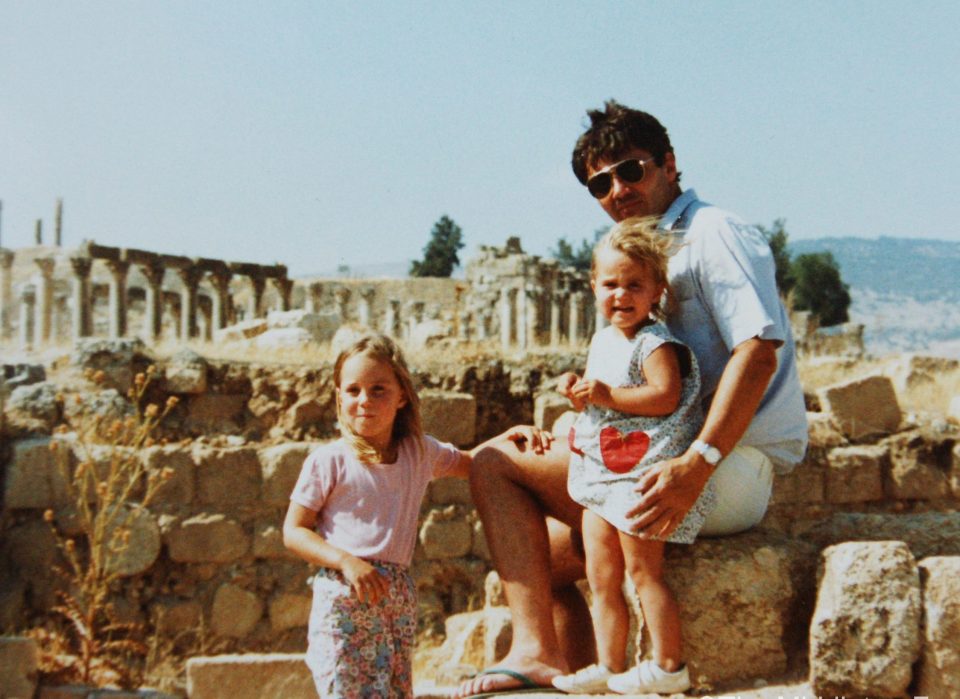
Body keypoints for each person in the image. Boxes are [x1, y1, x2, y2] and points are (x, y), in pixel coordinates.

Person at [456, 101, 808, 696]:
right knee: (540, 556)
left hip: (726, 465)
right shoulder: (640, 253)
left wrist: (699, 463)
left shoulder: (713, 233)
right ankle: (584, 673)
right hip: (657, 454)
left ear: (669, 164)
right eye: (600, 182)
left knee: (492, 462)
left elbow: (757, 352)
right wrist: (572, 433)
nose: (617, 189)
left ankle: (535, 651)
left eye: (630, 170)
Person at [283, 333, 545, 698]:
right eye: (353, 390)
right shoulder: (328, 461)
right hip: (344, 600)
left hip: (396, 599)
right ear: (338, 395)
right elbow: (294, 531)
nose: (364, 401)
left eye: (378, 390)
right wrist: (346, 561)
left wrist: (510, 437)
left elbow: (474, 463)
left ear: (402, 396)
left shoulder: (418, 453)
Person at [550, 219, 710, 694]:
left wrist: (608, 394)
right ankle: (610, 664)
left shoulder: (655, 343)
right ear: (593, 287)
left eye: (634, 285)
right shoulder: (603, 341)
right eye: (611, 284)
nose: (621, 295)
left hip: (641, 473)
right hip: (603, 473)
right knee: (602, 576)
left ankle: (667, 664)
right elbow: (601, 399)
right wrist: (579, 392)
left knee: (643, 572)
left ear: (657, 288)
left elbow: (664, 396)